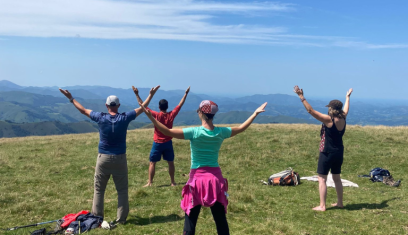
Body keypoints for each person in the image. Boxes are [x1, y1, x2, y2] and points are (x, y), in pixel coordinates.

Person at [139, 99, 267, 235]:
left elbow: (167, 131)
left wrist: (150, 117)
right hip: (215, 181)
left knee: (190, 221)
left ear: (200, 113)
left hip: (196, 182)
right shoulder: (220, 132)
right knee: (221, 221)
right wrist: (255, 113)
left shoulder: (194, 132)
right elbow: (241, 128)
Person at [59, 85, 160, 223]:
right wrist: (151, 95)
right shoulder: (125, 117)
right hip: (120, 158)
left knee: (99, 190)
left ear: (106, 105)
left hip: (103, 158)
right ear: (118, 105)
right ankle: (121, 219)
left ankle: (97, 219)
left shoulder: (100, 117)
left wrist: (70, 98)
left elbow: (83, 110)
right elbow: (142, 108)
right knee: (122, 190)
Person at [294, 85, 353, 211]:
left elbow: (311, 111)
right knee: (337, 178)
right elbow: (346, 109)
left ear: (331, 109)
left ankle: (322, 206)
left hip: (327, 152)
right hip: (339, 151)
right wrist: (347, 97)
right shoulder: (343, 117)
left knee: (322, 178)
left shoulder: (328, 120)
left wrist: (301, 96)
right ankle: (340, 203)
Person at [144, 86, 191, 187]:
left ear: (159, 107)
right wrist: (185, 94)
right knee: (170, 162)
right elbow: (180, 105)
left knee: (152, 163)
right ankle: (173, 182)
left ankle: (150, 182)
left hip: (157, 143)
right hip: (168, 142)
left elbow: (143, 106)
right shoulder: (171, 115)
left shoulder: (156, 115)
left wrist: (137, 95)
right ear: (167, 106)